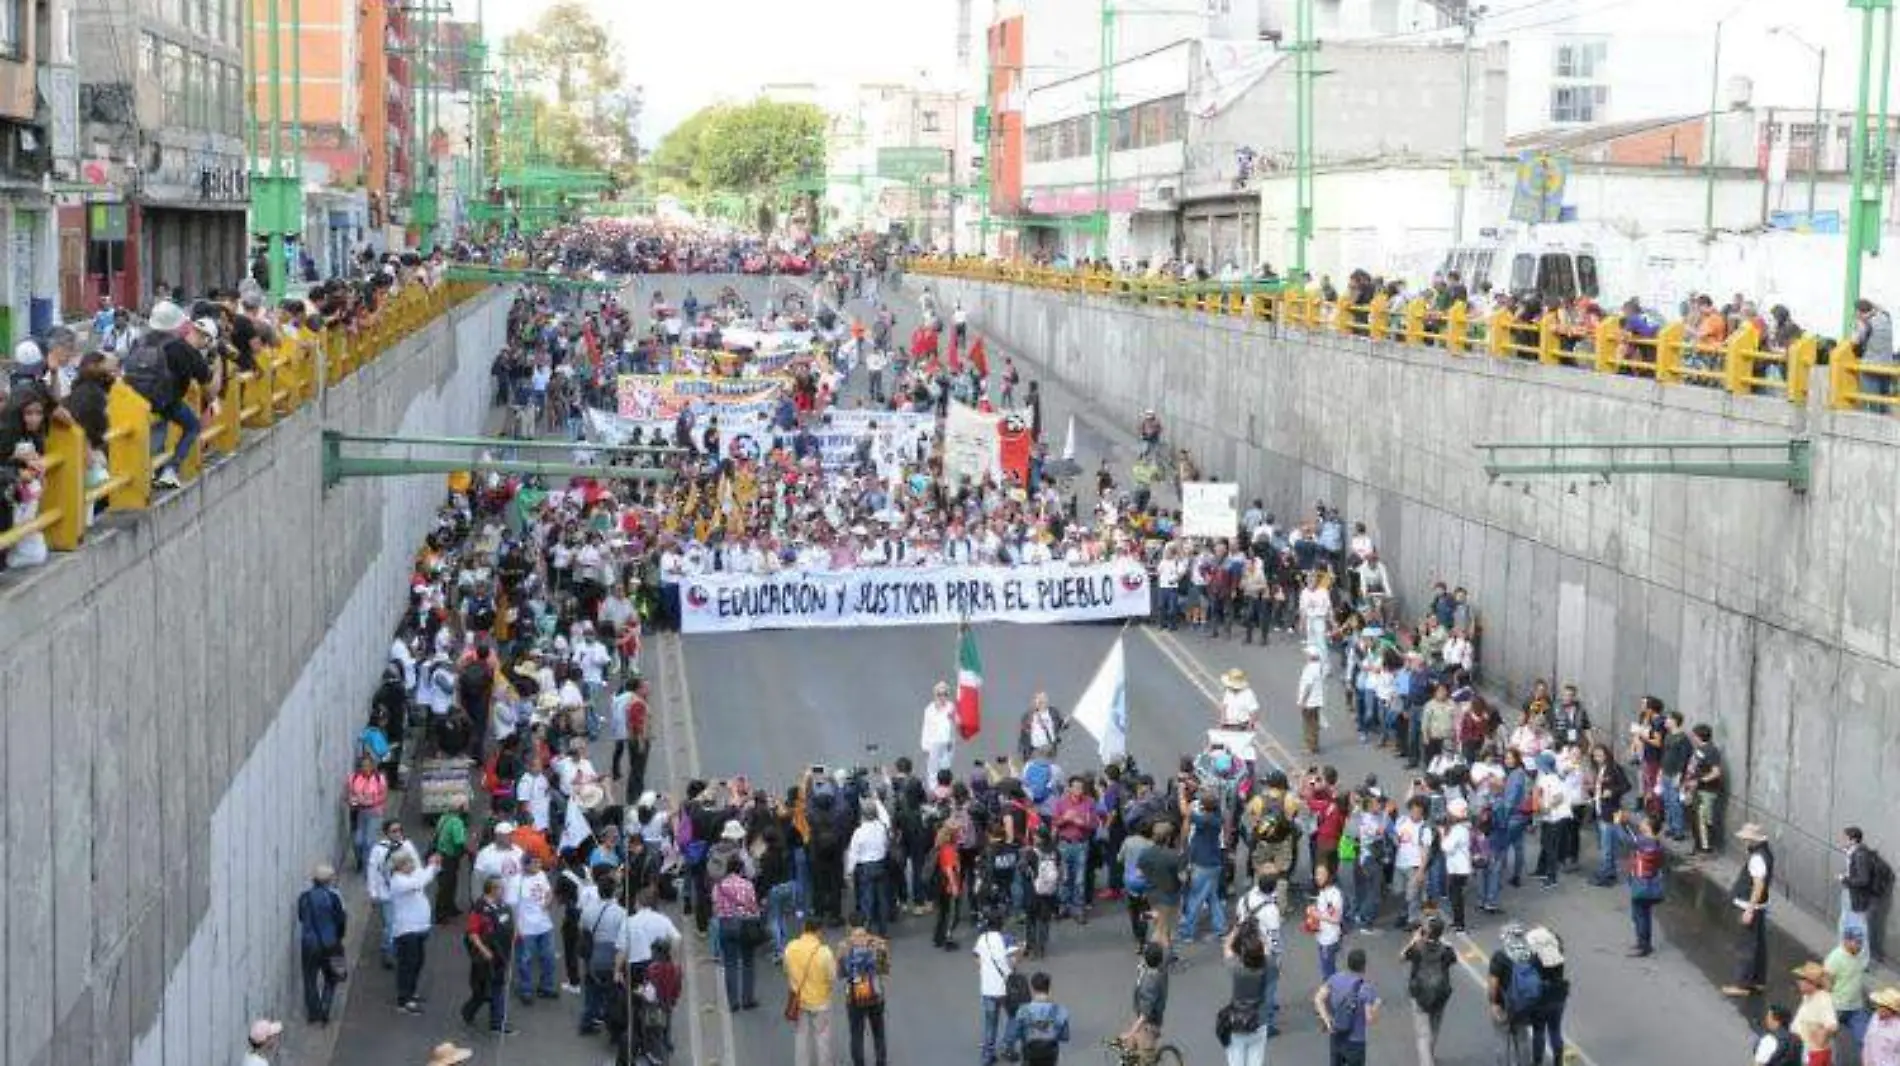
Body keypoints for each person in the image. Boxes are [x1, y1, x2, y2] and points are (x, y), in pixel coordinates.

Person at [460, 876, 517, 1035]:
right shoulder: (479, 908)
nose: (504, 891)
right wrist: (484, 950)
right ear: (492, 890)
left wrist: (515, 938)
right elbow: (472, 932)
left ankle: (496, 1023)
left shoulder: (503, 905)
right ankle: (471, 1012)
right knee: (483, 991)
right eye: (501, 888)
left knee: (497, 988)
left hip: (500, 955)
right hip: (485, 959)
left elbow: (508, 925)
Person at [1724, 823, 1776, 998]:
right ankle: (1758, 980)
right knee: (1759, 945)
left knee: (1746, 946)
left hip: (1748, 905)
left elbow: (1757, 885)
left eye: (1746, 839)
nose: (1743, 841)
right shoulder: (1766, 853)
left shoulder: (1756, 858)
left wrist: (1749, 910)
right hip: (1761, 906)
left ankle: (1742, 983)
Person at [295, 864, 347, 1024]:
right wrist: (338, 937)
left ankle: (313, 1013)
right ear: (329, 880)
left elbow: (302, 917)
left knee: (309, 979)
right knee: (331, 977)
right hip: (330, 943)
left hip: (309, 944)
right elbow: (341, 920)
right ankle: (325, 1007)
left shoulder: (304, 897)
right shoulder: (334, 897)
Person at [1402, 915, 1457, 1066]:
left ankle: (1427, 1061)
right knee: (1434, 1027)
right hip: (1440, 992)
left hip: (1419, 992)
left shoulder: (1417, 947)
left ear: (1425, 932)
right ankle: (1430, 1055)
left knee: (1422, 1035)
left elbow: (1402, 957)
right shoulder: (1446, 950)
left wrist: (1414, 940)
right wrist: (1444, 942)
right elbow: (1453, 959)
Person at [713, 854, 763, 1011]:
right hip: (745, 924)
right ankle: (747, 999)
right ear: (741, 868)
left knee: (730, 963)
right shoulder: (747, 885)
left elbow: (715, 909)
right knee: (748, 962)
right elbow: (753, 907)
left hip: (726, 924)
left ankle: (733, 1002)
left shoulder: (719, 886)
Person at [1315, 946, 1380, 1066]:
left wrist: (1327, 1020)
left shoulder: (1335, 978)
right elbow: (1370, 1019)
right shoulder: (1366, 989)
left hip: (1337, 1034)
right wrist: (1376, 1005)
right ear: (1364, 966)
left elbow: (1318, 998)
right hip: (1356, 1041)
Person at [785, 917, 837, 1066]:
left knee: (801, 1036)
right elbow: (832, 976)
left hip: (800, 1001)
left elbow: (787, 969)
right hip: (821, 1001)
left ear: (804, 928)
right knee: (822, 1037)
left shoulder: (791, 947)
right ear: (819, 931)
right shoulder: (824, 952)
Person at [838, 923, 891, 1066]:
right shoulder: (877, 947)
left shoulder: (845, 950)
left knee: (856, 1033)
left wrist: (841, 956)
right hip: (875, 996)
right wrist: (882, 950)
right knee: (878, 1031)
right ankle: (881, 1061)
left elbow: (841, 974)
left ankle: (859, 1062)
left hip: (854, 998)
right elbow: (884, 969)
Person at [975, 909, 1021, 1066]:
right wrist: (1021, 949)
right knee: (1014, 1016)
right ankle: (1008, 1047)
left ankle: (988, 1054)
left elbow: (978, 961)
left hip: (987, 988)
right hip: (1005, 987)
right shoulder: (1007, 938)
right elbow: (1014, 962)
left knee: (990, 1022)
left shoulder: (982, 939)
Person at [1617, 809, 1666, 956]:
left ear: (1649, 827)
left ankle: (1643, 946)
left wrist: (1618, 823)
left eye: (1644, 823)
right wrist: (1625, 825)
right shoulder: (1654, 842)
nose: (1641, 824)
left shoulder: (1645, 841)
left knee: (1639, 915)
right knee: (1644, 914)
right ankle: (1644, 943)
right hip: (1649, 882)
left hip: (1642, 884)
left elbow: (1624, 840)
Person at [1219, 922, 1269, 1066]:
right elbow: (1267, 949)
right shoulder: (1266, 966)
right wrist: (1260, 934)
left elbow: (1227, 947)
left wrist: (1235, 931)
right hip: (1259, 1021)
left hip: (1237, 1022)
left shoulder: (1237, 969)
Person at [1006, 971, 1071, 1066]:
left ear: (1032, 989)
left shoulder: (1024, 1010)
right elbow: (1065, 1037)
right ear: (1049, 989)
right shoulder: (1059, 1010)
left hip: (1030, 1052)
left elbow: (1014, 1034)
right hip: (1050, 1053)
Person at [1119, 941, 1170, 1055]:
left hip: (1149, 1024)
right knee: (1132, 1047)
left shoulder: (1150, 983)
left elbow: (1145, 1014)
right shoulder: (1160, 969)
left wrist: (1131, 1032)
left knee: (1145, 1055)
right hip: (1151, 1019)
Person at [1826, 929, 1871, 1053]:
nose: (1859, 945)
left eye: (1860, 942)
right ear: (1845, 941)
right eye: (1856, 942)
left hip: (1856, 1006)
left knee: (1866, 1039)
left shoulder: (1860, 955)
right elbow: (1827, 982)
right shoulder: (1835, 957)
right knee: (1825, 1041)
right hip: (1837, 1006)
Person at [1793, 961, 1842, 1065]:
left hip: (1816, 1056)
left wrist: (1820, 1037)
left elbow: (1832, 1026)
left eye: (1801, 979)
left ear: (1812, 983)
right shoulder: (1807, 997)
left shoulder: (1823, 999)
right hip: (1806, 1052)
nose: (1798, 982)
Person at [921, 680, 959, 780]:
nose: (942, 697)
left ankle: (944, 791)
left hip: (947, 744)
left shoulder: (951, 707)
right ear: (935, 695)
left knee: (945, 770)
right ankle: (934, 792)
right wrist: (925, 746)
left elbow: (957, 723)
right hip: (934, 743)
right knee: (933, 771)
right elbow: (926, 728)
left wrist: (954, 718)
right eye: (939, 694)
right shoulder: (929, 709)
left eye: (945, 694)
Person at [1865, 987, 1900, 1066]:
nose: (1880, 1009)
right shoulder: (1875, 1017)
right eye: (1880, 1005)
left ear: (1893, 1011)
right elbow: (1868, 1040)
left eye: (1884, 1007)